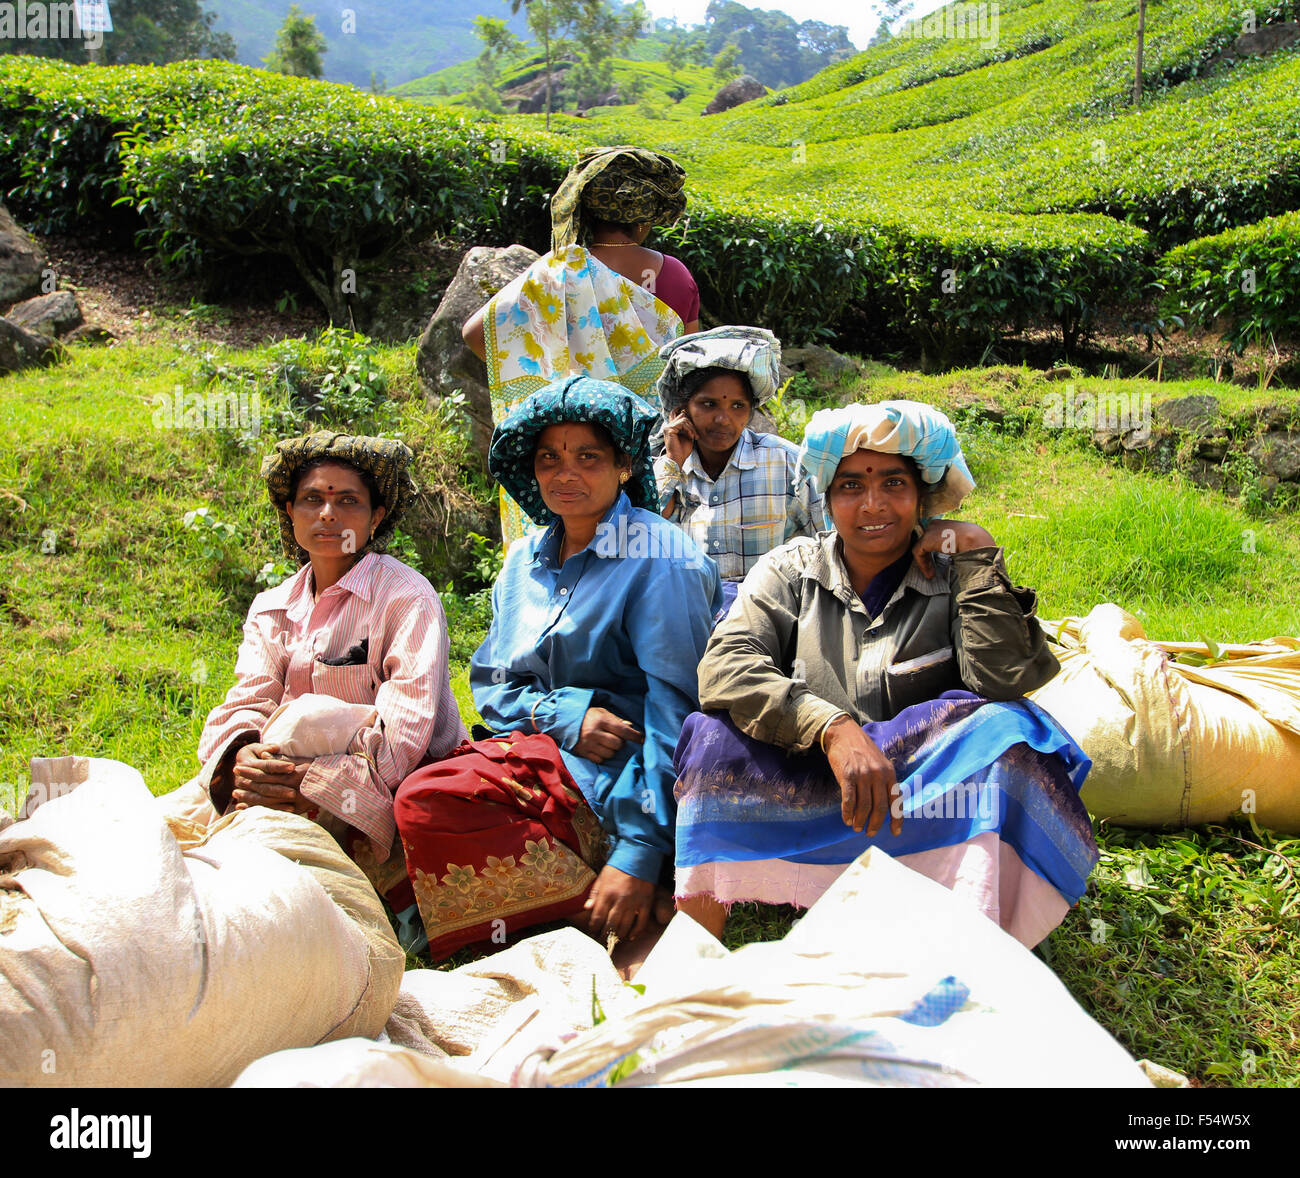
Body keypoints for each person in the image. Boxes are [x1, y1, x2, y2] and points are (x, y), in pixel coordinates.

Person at [673, 401, 1097, 948]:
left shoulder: (954, 572)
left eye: (893, 482)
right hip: (816, 781)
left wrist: (974, 549)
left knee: (1010, 736)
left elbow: (1001, 679)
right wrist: (829, 728)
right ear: (826, 499)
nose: (872, 504)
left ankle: (973, 948)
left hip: (922, 795)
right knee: (709, 738)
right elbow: (727, 663)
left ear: (923, 496)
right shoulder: (789, 568)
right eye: (850, 486)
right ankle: (696, 951)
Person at [394, 376, 722, 966]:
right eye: (549, 458)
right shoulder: (524, 560)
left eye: (587, 457)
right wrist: (562, 713)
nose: (564, 474)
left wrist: (640, 852)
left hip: (626, 771)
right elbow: (492, 685)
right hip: (542, 746)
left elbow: (682, 710)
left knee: (429, 799)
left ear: (624, 466)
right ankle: (569, 918)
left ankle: (608, 900)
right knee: (409, 814)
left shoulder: (660, 557)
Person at [186, 433, 467, 939]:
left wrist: (312, 781)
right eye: (313, 500)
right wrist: (245, 759)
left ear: (376, 517)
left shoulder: (406, 597)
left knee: (245, 863)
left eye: (348, 502)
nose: (328, 515)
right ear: (290, 512)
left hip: (384, 782)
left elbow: (405, 734)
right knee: (174, 827)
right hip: (280, 774)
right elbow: (247, 701)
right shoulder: (272, 606)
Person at [461, 145, 701, 544]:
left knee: (564, 549)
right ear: (644, 219)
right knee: (642, 549)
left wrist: (552, 379)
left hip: (564, 443)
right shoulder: (673, 275)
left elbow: (475, 333)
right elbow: (690, 366)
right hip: (648, 443)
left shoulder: (556, 273)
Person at [653, 326, 820, 612]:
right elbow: (643, 542)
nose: (723, 419)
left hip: (769, 620)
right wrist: (673, 464)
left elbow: (827, 543)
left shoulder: (786, 464)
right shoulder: (665, 468)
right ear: (682, 409)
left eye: (738, 406)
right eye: (708, 404)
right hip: (684, 617)